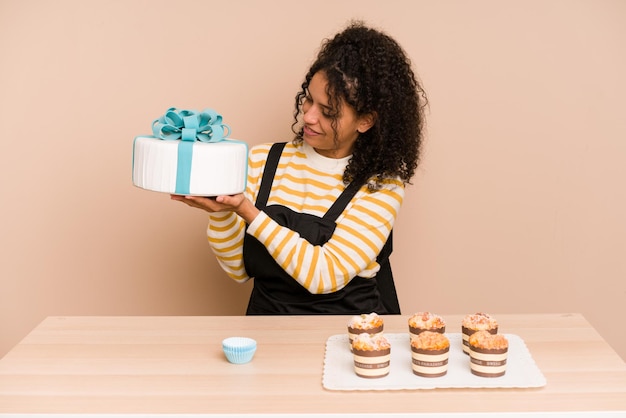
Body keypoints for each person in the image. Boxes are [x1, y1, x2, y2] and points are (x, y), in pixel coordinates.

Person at [171, 21, 427, 315]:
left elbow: (323, 275)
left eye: (328, 111)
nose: (309, 116)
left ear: (366, 120)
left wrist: (248, 212)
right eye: (308, 99)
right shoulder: (262, 160)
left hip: (351, 337)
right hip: (265, 327)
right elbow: (237, 271)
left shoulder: (382, 186)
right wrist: (222, 214)